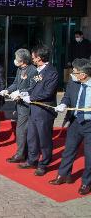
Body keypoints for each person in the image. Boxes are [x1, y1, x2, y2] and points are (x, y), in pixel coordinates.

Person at [49, 58, 91, 195]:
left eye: (75, 72)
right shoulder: (73, 83)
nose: (72, 74)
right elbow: (67, 97)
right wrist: (63, 104)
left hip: (89, 125)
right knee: (69, 150)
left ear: (83, 74)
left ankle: (86, 182)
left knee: (89, 156)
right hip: (75, 122)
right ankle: (63, 175)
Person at [18, 45, 59, 176]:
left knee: (44, 139)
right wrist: (22, 93)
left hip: (44, 110)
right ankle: (32, 160)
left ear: (39, 58)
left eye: (34, 57)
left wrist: (31, 97)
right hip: (34, 109)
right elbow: (32, 87)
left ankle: (44, 163)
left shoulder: (51, 72)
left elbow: (48, 92)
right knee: (32, 137)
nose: (32, 59)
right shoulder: (38, 70)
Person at [0, 49, 37, 163]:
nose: (15, 61)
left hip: (26, 104)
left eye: (17, 59)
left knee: (21, 129)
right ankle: (23, 152)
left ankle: (20, 154)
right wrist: (7, 90)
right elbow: (16, 83)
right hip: (19, 104)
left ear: (23, 60)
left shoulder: (33, 70)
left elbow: (33, 87)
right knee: (21, 129)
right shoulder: (19, 69)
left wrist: (20, 92)